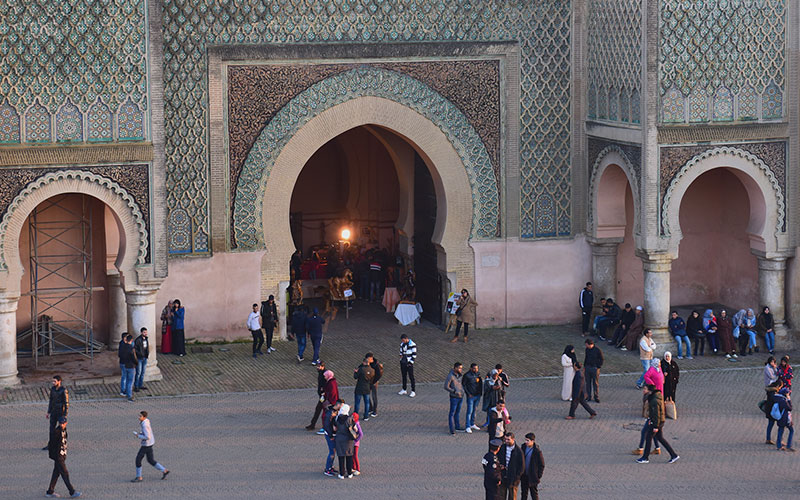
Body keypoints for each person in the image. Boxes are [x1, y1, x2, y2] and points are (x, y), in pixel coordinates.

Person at [637, 384, 680, 464]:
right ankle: (673, 455)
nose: (643, 390)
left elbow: (656, 414)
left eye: (645, 389)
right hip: (659, 422)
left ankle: (645, 457)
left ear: (650, 390)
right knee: (660, 438)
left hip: (657, 423)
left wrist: (655, 426)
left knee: (648, 438)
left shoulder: (654, 400)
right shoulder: (656, 397)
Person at [46, 416, 81, 498]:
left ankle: (50, 491)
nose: (61, 425)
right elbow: (51, 444)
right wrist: (55, 456)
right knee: (65, 474)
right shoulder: (56, 432)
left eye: (63, 423)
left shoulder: (64, 430)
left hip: (62, 455)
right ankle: (72, 492)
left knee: (56, 474)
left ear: (66, 423)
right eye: (60, 423)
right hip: (59, 457)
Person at [131, 410, 170, 482]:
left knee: (138, 459)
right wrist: (141, 433)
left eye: (140, 416)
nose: (138, 417)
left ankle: (139, 477)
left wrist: (138, 436)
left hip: (146, 445)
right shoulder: (146, 421)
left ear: (144, 417)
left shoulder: (145, 425)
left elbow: (147, 436)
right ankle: (164, 470)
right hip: (150, 443)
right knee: (150, 460)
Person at [43, 375, 69, 451]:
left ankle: (63, 444)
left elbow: (66, 403)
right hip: (54, 412)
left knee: (62, 430)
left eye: (55, 381)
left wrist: (65, 415)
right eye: (52, 381)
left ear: (59, 381)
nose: (53, 383)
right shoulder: (53, 389)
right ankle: (51, 445)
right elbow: (51, 401)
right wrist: (48, 411)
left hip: (60, 412)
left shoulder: (63, 390)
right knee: (51, 429)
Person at [497, 432, 524, 500]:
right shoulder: (502, 448)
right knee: (501, 496)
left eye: (508, 439)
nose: (506, 441)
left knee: (512, 497)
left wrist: (517, 478)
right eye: (505, 439)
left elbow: (522, 466)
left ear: (513, 439)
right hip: (503, 475)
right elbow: (498, 458)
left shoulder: (518, 451)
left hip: (513, 478)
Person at [306, 362, 330, 431]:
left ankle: (316, 425)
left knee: (321, 410)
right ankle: (313, 424)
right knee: (319, 409)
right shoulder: (321, 373)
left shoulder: (325, 374)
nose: (317, 367)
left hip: (324, 396)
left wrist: (323, 391)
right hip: (322, 396)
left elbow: (326, 385)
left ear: (322, 366)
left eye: (319, 366)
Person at [333, 403, 356, 478]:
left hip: (339, 439)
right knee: (349, 456)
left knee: (341, 457)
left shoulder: (336, 418)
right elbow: (355, 429)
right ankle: (349, 473)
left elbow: (334, 429)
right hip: (348, 439)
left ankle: (341, 474)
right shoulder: (350, 419)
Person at [520, 432, 545, 500]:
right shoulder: (523, 447)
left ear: (532, 441)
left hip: (532, 476)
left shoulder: (537, 451)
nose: (526, 442)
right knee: (524, 493)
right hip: (524, 475)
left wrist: (538, 476)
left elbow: (542, 464)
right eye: (525, 440)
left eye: (528, 440)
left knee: (534, 493)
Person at [444, 362, 465, 434]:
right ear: (455, 368)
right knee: (452, 413)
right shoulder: (450, 376)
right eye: (459, 368)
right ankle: (452, 429)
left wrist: (462, 390)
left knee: (458, 412)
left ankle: (457, 426)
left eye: (461, 368)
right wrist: (454, 391)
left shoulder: (460, 375)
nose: (461, 369)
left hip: (460, 396)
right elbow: (446, 386)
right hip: (454, 397)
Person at [322, 400, 341, 476]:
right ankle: (328, 469)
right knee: (332, 452)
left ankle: (330, 466)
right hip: (330, 435)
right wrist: (331, 436)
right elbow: (326, 426)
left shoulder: (333, 411)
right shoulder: (330, 413)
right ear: (338, 405)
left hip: (331, 434)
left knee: (333, 451)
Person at [463, 363, 482, 433]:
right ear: (471, 368)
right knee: (469, 411)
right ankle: (467, 426)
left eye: (477, 368)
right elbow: (464, 385)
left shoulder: (478, 374)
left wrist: (480, 393)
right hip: (471, 396)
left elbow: (480, 384)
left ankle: (472, 423)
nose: (476, 370)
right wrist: (468, 393)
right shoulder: (467, 375)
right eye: (474, 368)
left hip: (477, 395)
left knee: (474, 410)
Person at [773, 387, 794, 452]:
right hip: (785, 418)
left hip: (780, 418)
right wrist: (789, 400)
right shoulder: (783, 400)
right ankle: (788, 445)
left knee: (780, 431)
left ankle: (779, 446)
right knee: (791, 430)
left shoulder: (777, 399)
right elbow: (790, 408)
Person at [583, 338, 603, 403]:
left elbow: (601, 359)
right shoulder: (587, 350)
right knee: (587, 383)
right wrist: (585, 366)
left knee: (595, 383)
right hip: (588, 367)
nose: (586, 346)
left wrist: (598, 366)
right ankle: (588, 396)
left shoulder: (597, 350)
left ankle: (596, 396)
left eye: (586, 345)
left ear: (590, 344)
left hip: (595, 368)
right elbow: (586, 358)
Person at [120, 334, 138, 402]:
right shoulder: (131, 349)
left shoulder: (123, 347)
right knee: (130, 381)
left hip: (125, 365)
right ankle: (129, 395)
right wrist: (136, 363)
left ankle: (125, 391)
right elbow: (134, 358)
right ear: (131, 340)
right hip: (131, 366)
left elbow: (120, 355)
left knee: (126, 379)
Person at [764, 380, 782, 445]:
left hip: (769, 410)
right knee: (780, 425)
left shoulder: (769, 391)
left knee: (770, 424)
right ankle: (779, 439)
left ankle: (768, 439)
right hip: (773, 411)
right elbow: (775, 400)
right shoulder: (773, 392)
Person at [367, 352, 383, 418]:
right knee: (367, 395)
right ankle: (370, 408)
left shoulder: (376, 365)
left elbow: (379, 374)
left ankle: (375, 410)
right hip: (368, 382)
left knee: (374, 396)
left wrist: (374, 381)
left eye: (368, 359)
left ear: (371, 358)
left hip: (374, 382)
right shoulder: (367, 363)